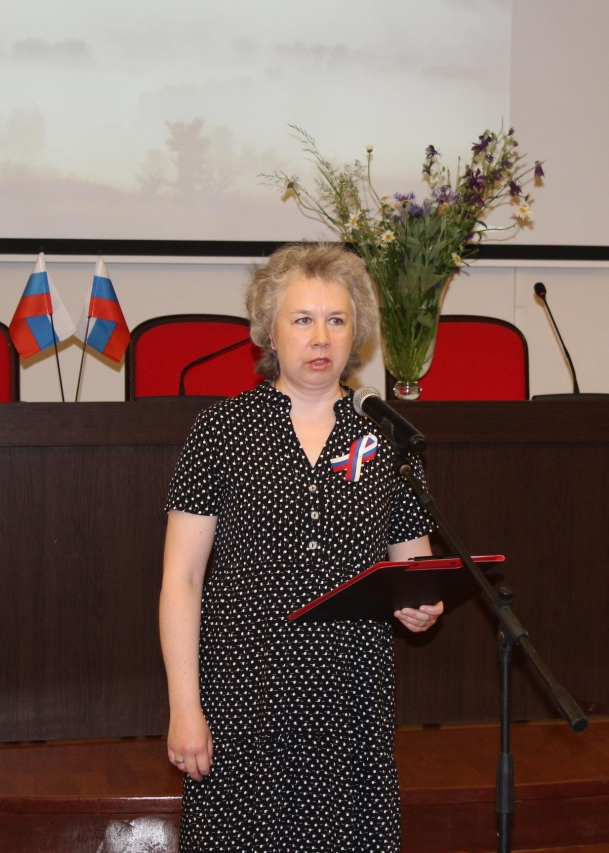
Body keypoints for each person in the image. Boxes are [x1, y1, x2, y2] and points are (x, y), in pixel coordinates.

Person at [159, 242, 444, 852]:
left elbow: (413, 564)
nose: (321, 338)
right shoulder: (221, 431)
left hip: (351, 700)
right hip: (244, 695)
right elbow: (181, 579)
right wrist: (185, 706)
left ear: (356, 333)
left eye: (336, 320)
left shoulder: (384, 437)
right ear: (269, 331)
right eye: (303, 320)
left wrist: (421, 603)